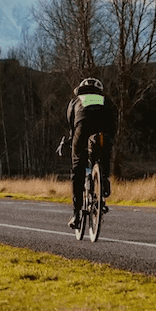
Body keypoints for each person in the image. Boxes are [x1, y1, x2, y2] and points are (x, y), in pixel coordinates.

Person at [56, 77, 117, 230]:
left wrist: (71, 140)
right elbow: (114, 121)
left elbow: (72, 125)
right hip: (104, 128)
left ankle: (76, 214)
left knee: (78, 167)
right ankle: (103, 183)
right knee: (104, 154)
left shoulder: (75, 101)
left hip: (82, 128)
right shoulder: (106, 100)